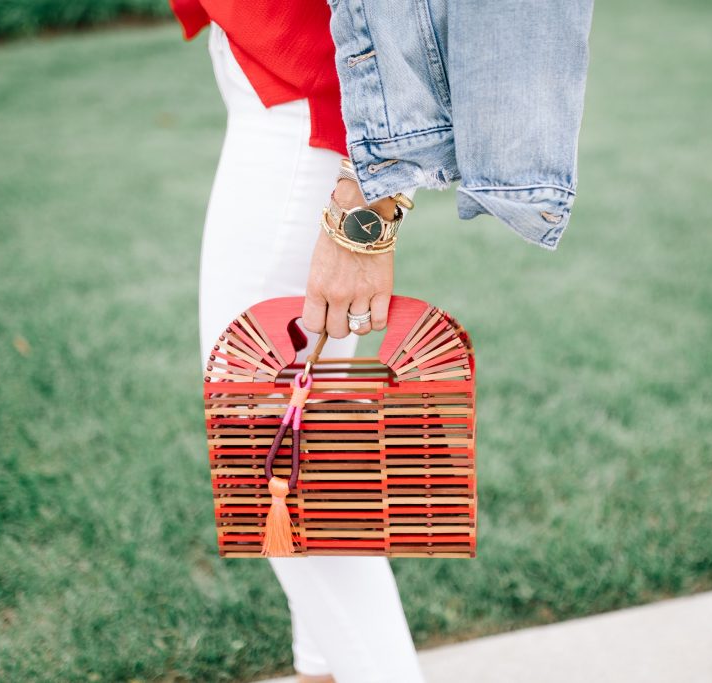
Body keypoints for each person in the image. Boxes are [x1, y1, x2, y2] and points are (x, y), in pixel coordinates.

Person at [170, 2, 425, 681]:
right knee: (304, 450)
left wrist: (365, 206)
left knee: (278, 471)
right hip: (280, 100)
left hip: (312, 125)